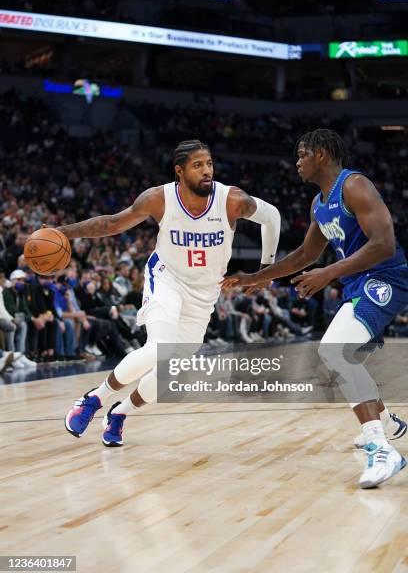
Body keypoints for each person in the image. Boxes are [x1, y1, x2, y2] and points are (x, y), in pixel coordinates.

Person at [221, 128, 408, 489]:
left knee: (335, 351)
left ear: (321, 154)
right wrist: (255, 277)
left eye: (302, 154)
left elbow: (384, 244)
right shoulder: (319, 203)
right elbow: (306, 255)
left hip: (387, 279)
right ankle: (386, 421)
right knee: (342, 358)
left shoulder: (354, 186)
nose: (297, 162)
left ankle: (381, 448)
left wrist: (329, 273)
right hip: (357, 283)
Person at [60, 140, 280, 446]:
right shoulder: (158, 199)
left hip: (205, 293)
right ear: (179, 171)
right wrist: (63, 233)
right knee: (157, 348)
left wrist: (266, 268)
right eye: (198, 165)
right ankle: (94, 399)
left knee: (171, 371)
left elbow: (273, 217)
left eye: (210, 164)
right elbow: (111, 224)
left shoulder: (232, 200)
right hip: (167, 279)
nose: (207, 171)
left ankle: (120, 413)